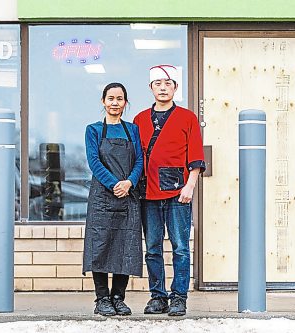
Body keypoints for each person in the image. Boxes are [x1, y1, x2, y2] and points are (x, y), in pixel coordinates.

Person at [134, 65, 206, 316]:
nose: (163, 87)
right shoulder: (140, 119)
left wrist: (190, 185)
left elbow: (196, 154)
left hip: (178, 191)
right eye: (158, 83)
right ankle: (157, 296)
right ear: (151, 88)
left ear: (175, 87)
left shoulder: (187, 117)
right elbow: (134, 156)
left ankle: (179, 296)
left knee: (180, 247)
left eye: (168, 83)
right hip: (147, 192)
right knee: (152, 247)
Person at [82, 82, 144, 316]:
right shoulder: (94, 130)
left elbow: (139, 160)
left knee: (124, 246)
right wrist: (114, 184)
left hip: (128, 196)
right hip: (102, 199)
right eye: (111, 98)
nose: (115, 103)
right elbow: (94, 162)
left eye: (119, 99)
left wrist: (129, 182)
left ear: (125, 103)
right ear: (103, 101)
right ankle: (102, 299)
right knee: (100, 246)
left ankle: (118, 297)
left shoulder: (133, 130)